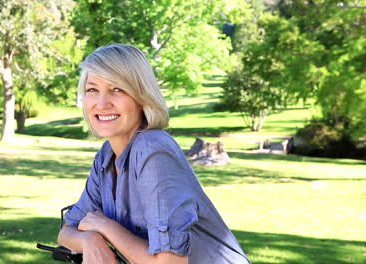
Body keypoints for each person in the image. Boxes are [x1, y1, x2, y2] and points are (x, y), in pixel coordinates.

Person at [57, 43, 251, 264]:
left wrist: (105, 226)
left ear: (142, 97)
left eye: (117, 89)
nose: (102, 103)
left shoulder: (153, 150)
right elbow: (67, 231)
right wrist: (90, 240)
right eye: (92, 90)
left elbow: (169, 262)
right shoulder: (106, 156)